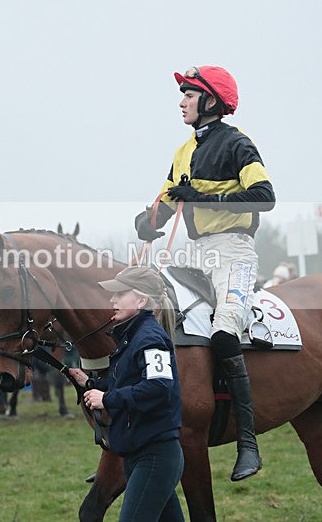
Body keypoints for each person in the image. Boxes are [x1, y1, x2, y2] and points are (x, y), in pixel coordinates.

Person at [134, 65, 273, 481]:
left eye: (188, 95)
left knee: (224, 333)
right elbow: (164, 199)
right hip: (194, 254)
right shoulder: (182, 151)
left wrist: (204, 197)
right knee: (143, 314)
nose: (181, 102)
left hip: (233, 250)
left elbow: (264, 197)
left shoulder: (238, 143)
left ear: (210, 101)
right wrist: (147, 220)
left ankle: (248, 442)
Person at [69, 266, 184, 522]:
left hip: (155, 456)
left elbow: (159, 387)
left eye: (120, 294)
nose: (112, 300)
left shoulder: (149, 338)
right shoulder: (132, 337)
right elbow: (127, 382)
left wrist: (106, 399)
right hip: (138, 454)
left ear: (141, 300)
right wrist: (91, 384)